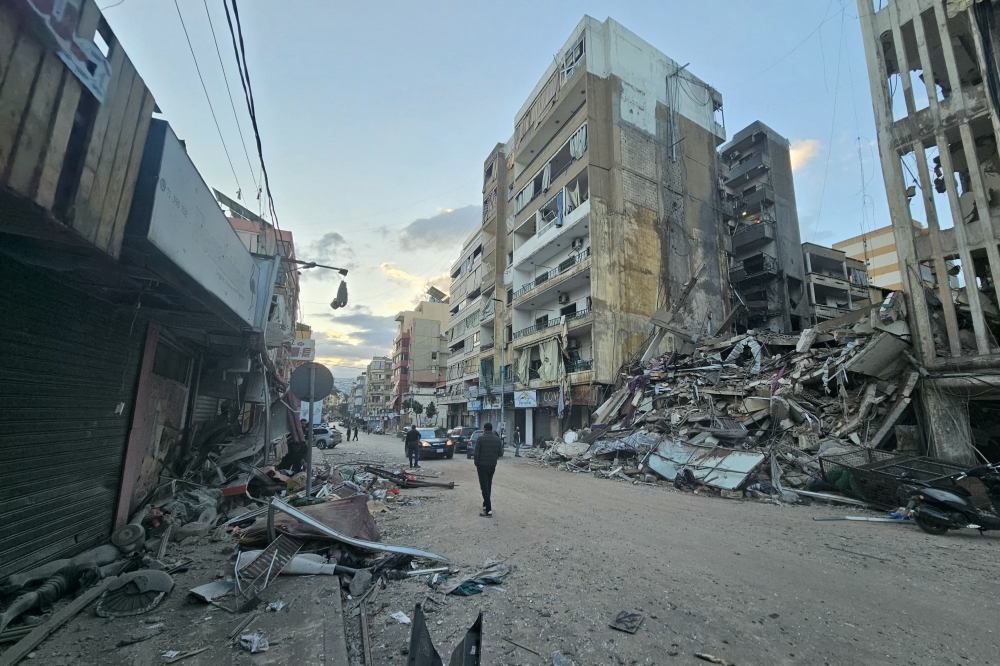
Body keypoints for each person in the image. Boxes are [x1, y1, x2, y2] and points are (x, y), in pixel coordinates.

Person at [474, 423, 503, 517]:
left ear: (484, 429)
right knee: (488, 484)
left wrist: (476, 463)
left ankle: (488, 510)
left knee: (484, 487)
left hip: (481, 465)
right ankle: (485, 504)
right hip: (492, 465)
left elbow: (476, 453)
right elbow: (500, 453)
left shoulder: (480, 438)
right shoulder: (497, 439)